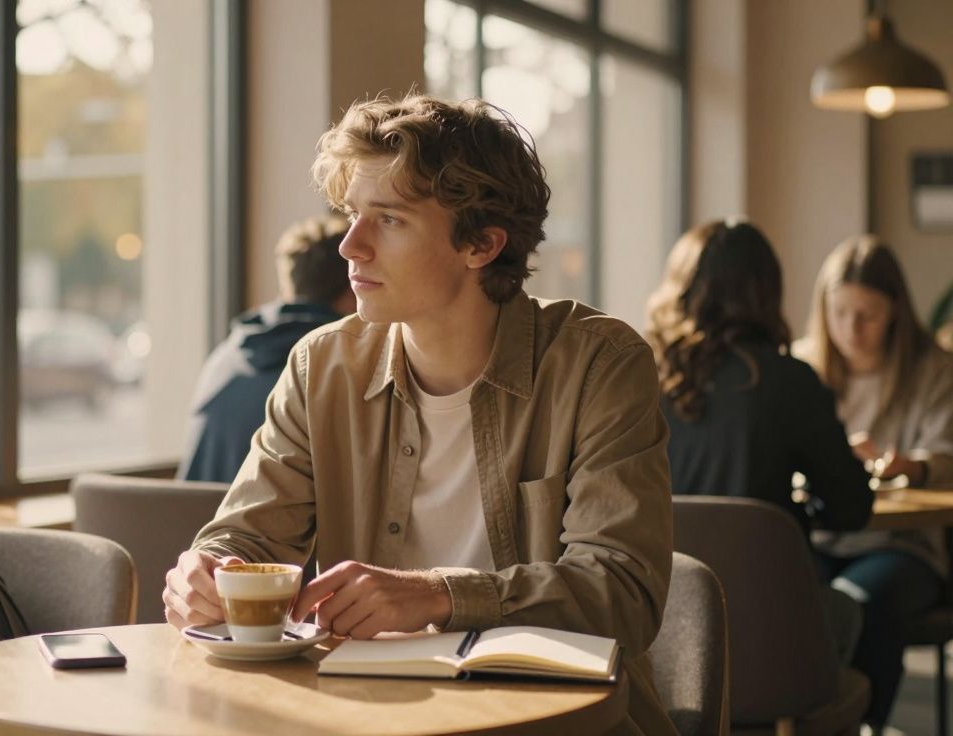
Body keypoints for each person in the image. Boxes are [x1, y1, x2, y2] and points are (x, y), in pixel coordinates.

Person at [162, 95, 676, 735]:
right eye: (352, 215)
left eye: (390, 220)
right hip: (370, 717)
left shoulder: (599, 364)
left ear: (482, 244)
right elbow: (248, 536)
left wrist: (437, 594)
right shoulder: (320, 366)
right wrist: (209, 570)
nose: (351, 245)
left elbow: (621, 593)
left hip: (556, 721)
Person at [645, 219, 872, 662]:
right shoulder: (789, 381)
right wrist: (795, 510)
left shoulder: (641, 379)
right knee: (851, 610)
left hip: (659, 635)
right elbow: (851, 507)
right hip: (768, 634)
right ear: (765, 293)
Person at [798, 236, 953, 733]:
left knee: (856, 606)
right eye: (840, 313)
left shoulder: (932, 372)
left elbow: (948, 457)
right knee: (786, 597)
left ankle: (857, 725)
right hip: (820, 538)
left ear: (896, 313)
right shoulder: (801, 368)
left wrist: (907, 465)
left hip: (904, 544)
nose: (852, 329)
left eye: (867, 314)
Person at [179, 215, 354, 483]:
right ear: (353, 287)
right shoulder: (335, 368)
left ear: (289, 284)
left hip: (199, 523)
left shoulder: (227, 356)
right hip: (262, 523)